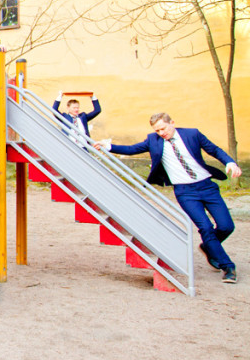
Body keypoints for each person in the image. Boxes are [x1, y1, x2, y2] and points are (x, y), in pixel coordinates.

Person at [96, 113, 241, 284]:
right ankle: (228, 267)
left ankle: (209, 246)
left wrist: (229, 162)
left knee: (226, 226)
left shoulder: (192, 134)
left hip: (207, 186)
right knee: (205, 227)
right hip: (185, 192)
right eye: (157, 130)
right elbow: (133, 149)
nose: (161, 133)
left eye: (163, 128)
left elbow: (214, 149)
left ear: (172, 123)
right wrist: (109, 146)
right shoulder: (153, 140)